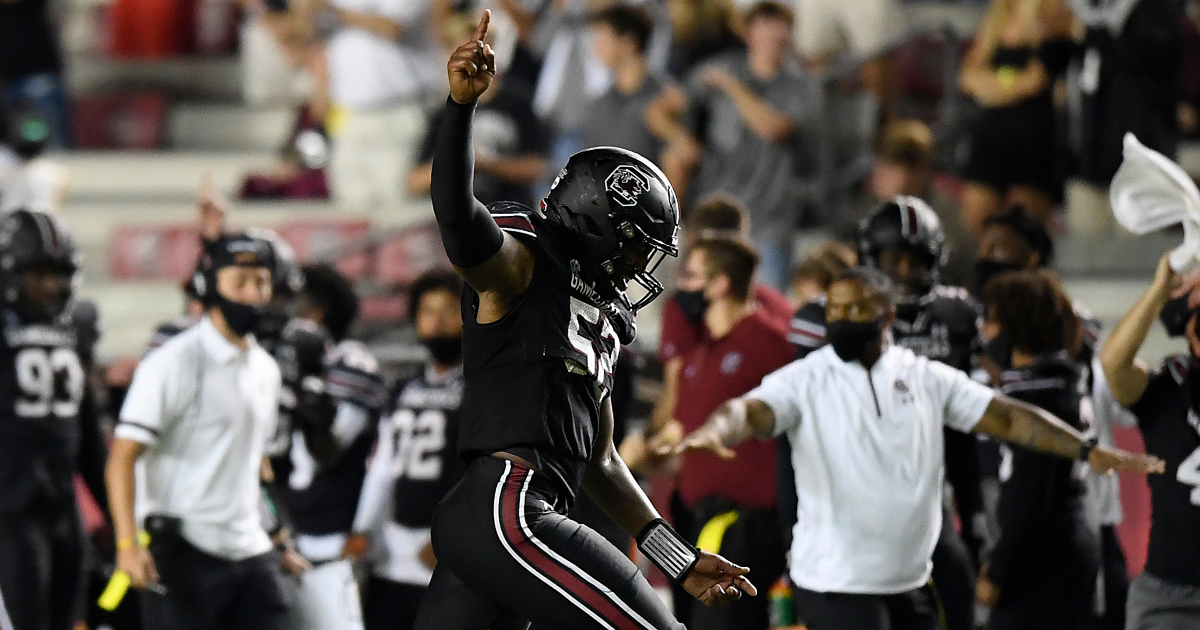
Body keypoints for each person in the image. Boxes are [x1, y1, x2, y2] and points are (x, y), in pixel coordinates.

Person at [414, 12, 755, 629]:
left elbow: (598, 460)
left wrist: (674, 558)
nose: (638, 266)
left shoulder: (599, 311)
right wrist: (460, 110)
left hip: (514, 512)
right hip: (508, 505)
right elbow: (459, 223)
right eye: (634, 246)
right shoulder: (523, 264)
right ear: (593, 223)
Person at [674, 266, 1163, 630]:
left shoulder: (923, 376)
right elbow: (749, 411)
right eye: (835, 310)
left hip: (910, 580)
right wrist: (716, 431)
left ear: (886, 316)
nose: (841, 319)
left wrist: (1083, 449)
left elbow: (1010, 417)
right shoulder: (804, 379)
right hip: (836, 583)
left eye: (855, 310)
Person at [785, 198, 987, 630]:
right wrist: (793, 524)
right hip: (849, 510)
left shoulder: (956, 315)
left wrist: (973, 511)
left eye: (915, 260)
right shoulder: (826, 317)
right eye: (893, 259)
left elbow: (964, 431)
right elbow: (794, 428)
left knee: (958, 592)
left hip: (925, 499)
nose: (903, 272)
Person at [106, 232, 297, 630]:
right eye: (240, 281)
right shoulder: (173, 363)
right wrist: (127, 546)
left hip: (250, 548)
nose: (252, 293)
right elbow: (122, 457)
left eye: (261, 281)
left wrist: (279, 538)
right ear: (211, 287)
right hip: (185, 550)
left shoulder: (266, 368)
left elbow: (256, 464)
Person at [652, 237, 793, 629]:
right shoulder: (703, 348)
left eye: (692, 276)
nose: (683, 287)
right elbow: (684, 433)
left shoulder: (770, 343)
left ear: (720, 285)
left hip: (744, 527)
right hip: (695, 522)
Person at [647, 1, 814, 289]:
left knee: (764, 307)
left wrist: (731, 86)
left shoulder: (799, 84)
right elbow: (657, 111)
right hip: (717, 214)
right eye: (766, 27)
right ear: (748, 32)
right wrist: (682, 139)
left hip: (769, 220)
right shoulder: (722, 68)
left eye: (781, 27)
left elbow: (772, 127)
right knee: (699, 306)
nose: (775, 36)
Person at [975, 270, 1099, 630]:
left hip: (1042, 557)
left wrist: (998, 570)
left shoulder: (1036, 398)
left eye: (993, 321)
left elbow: (1029, 495)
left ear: (1016, 327)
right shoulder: (1065, 380)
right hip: (1066, 546)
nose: (987, 333)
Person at [345, 269, 468, 630]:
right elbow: (383, 467)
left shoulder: (482, 388)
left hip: (442, 552)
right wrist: (362, 529)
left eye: (448, 310)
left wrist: (454, 543)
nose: (437, 321)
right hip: (392, 549)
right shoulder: (401, 388)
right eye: (426, 312)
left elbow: (486, 472)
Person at [0, 209, 97, 630]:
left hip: (61, 503)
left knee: (67, 618)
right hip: (8, 506)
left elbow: (89, 429)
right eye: (38, 274)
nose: (50, 286)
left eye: (57, 275)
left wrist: (115, 516)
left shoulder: (76, 326)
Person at [1101, 253, 1200, 630]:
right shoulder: (1169, 386)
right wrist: (1158, 292)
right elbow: (1114, 365)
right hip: (1167, 592)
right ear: (1190, 334)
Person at [274, 262, 386, 566]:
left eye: (297, 302)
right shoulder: (282, 359)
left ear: (316, 313)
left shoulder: (350, 362)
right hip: (287, 520)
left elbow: (329, 449)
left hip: (330, 527)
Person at [409, 11, 549, 210]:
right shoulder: (443, 113)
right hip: (460, 219)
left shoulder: (516, 102)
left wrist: (489, 165)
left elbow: (539, 167)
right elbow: (414, 181)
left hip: (510, 212)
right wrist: (458, 162)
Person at [957, 0, 1075, 232]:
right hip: (989, 142)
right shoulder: (996, 19)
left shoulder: (1052, 15)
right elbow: (967, 77)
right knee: (977, 226)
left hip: (1032, 145)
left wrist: (992, 86)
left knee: (1023, 232)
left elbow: (1035, 81)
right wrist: (1011, 84)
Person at [322, 0, 439, 210]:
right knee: (349, 202)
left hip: (398, 109)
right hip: (349, 112)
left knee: (397, 199)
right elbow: (304, 33)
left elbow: (393, 28)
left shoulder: (335, 7)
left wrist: (330, 10)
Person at [585, 5, 672, 164]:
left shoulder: (665, 99)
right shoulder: (600, 106)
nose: (595, 48)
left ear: (629, 42)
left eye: (603, 39)